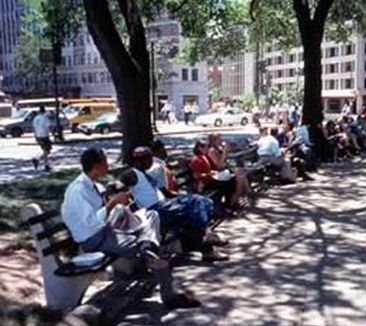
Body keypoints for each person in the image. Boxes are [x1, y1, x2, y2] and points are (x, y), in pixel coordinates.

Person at [61, 148, 200, 309]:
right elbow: (91, 223)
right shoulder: (78, 190)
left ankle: (146, 246)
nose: (108, 165)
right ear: (97, 165)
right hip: (94, 239)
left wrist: (118, 204)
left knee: (152, 215)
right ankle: (169, 295)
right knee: (156, 250)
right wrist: (113, 203)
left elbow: (104, 210)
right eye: (105, 162)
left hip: (108, 230)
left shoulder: (93, 185)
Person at [119, 147, 229, 262]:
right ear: (140, 160)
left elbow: (165, 192)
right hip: (155, 211)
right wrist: (119, 194)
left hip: (165, 205)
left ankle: (206, 248)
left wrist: (183, 197)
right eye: (149, 158)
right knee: (195, 204)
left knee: (203, 202)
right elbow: (117, 186)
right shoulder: (131, 173)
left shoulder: (145, 174)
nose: (151, 161)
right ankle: (207, 236)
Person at [32, 106, 52, 172]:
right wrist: (52, 134)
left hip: (38, 136)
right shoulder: (45, 118)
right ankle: (45, 164)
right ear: (44, 111)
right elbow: (48, 127)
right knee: (46, 151)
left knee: (45, 150)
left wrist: (35, 136)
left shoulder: (36, 118)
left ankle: (41, 161)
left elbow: (34, 128)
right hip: (45, 136)